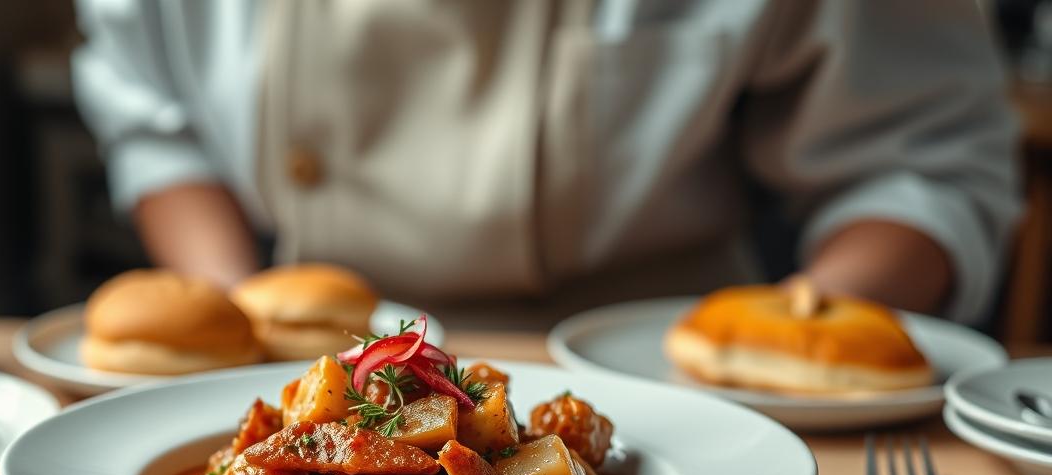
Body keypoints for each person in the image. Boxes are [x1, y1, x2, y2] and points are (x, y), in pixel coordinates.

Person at [71, 0, 1021, 327]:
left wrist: (795, 349)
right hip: (297, 339)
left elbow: (921, 159)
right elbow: (156, 120)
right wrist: (232, 327)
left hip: (679, 372)